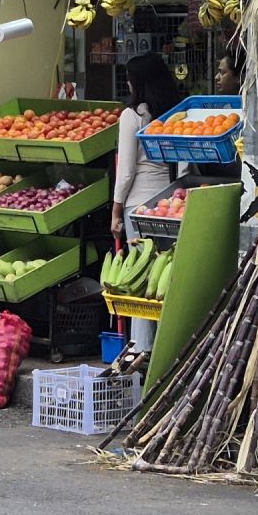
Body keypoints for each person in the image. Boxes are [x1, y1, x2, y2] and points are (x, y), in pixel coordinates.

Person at [112, 53, 179, 354]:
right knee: (165, 278)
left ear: (137, 83)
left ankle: (141, 350)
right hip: (169, 203)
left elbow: (125, 171)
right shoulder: (173, 114)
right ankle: (168, 348)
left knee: (139, 281)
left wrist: (115, 211)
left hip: (138, 206)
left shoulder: (131, 116)